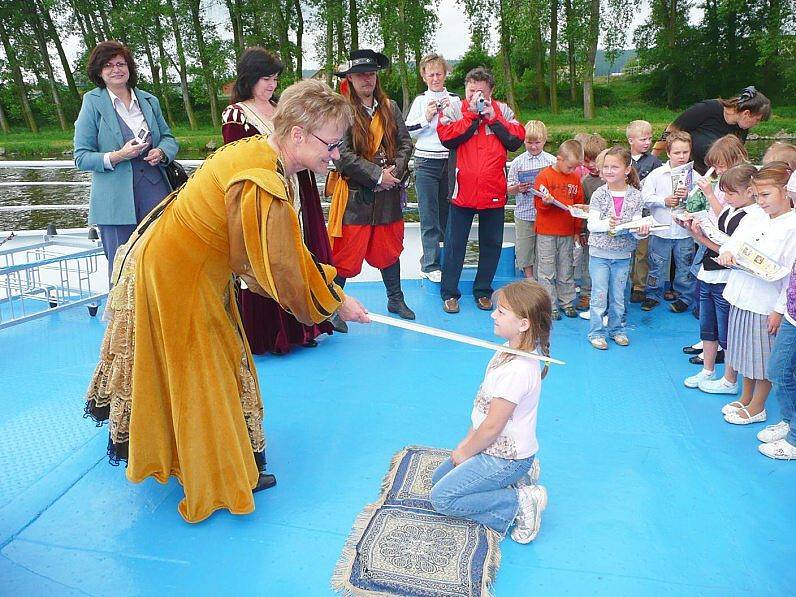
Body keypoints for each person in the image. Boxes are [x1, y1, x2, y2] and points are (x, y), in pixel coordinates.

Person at [84, 80, 369, 523]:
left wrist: (328, 292)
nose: (334, 157)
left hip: (189, 266)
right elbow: (282, 265)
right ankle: (213, 481)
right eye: (330, 146)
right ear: (297, 135)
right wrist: (335, 299)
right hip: (180, 274)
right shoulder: (260, 177)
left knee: (219, 361)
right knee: (201, 371)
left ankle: (224, 459)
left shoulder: (262, 154)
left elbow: (274, 251)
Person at [221, 47, 335, 355]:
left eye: (274, 79)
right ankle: (270, 333)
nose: (271, 85)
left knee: (300, 249)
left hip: (299, 187)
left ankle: (305, 323)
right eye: (264, 79)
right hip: (265, 191)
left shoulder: (283, 109)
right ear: (249, 79)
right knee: (270, 253)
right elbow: (240, 161)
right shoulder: (237, 115)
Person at [430, 279, 550, 544]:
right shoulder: (507, 349)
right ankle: (520, 478)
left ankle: (518, 503)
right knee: (439, 479)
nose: (493, 315)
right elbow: (483, 409)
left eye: (501, 312)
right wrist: (467, 439)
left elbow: (493, 426)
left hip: (505, 457)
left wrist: (466, 451)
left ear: (523, 324)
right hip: (493, 449)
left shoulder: (517, 371)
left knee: (442, 499)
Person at [74, 41, 178, 279]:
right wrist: (118, 155)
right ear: (99, 72)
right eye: (108, 65)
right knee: (122, 268)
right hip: (114, 201)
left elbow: (170, 139)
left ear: (129, 67)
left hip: (156, 193)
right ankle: (125, 317)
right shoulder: (92, 102)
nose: (116, 69)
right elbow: (81, 157)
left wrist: (161, 152)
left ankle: (158, 315)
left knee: (160, 260)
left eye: (120, 63)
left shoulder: (149, 100)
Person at [327, 49, 415, 322]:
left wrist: (393, 174)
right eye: (361, 75)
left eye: (371, 74)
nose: (367, 79)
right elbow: (341, 155)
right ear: (350, 79)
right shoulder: (341, 111)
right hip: (356, 197)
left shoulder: (390, 108)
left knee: (389, 250)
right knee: (344, 255)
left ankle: (395, 300)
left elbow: (405, 144)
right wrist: (378, 175)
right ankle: (332, 309)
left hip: (388, 195)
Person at [437, 67, 526, 314]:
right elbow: (446, 137)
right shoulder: (455, 110)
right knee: (455, 245)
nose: (476, 95)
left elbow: (516, 139)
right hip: (461, 191)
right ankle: (450, 293)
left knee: (491, 244)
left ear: (491, 91)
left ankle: (483, 291)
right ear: (465, 89)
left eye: (481, 91)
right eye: (471, 90)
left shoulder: (503, 110)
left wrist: (492, 118)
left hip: (493, 192)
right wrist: (472, 118)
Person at [717, 163, 796, 426]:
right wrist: (728, 251)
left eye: (766, 195)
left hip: (767, 302)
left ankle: (758, 405)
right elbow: (734, 240)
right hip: (742, 293)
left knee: (762, 356)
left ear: (785, 192)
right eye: (757, 195)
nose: (760, 201)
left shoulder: (792, 226)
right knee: (743, 351)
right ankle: (745, 395)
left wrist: (778, 309)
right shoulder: (754, 215)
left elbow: (790, 275)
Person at [682, 164, 762, 393]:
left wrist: (699, 237)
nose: (725, 198)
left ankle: (729, 378)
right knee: (708, 326)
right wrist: (696, 230)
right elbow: (717, 237)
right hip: (709, 272)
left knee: (726, 330)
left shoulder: (752, 216)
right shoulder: (730, 210)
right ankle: (708, 369)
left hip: (727, 278)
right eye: (724, 192)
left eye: (730, 193)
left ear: (749, 191)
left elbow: (730, 250)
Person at [586, 146, 649, 350]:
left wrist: (642, 231)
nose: (609, 171)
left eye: (615, 167)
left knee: (619, 295)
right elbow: (592, 224)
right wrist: (608, 224)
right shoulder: (599, 194)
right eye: (606, 167)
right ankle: (596, 332)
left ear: (627, 169)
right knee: (599, 294)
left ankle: (617, 329)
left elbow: (637, 226)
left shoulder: (636, 196)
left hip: (623, 255)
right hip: (599, 254)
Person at [405, 53, 460, 283]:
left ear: (445, 74)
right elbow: (408, 130)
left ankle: (446, 260)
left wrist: (450, 115)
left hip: (449, 161)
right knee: (429, 215)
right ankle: (429, 264)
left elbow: (462, 129)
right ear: (424, 76)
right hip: (425, 162)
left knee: (448, 214)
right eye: (431, 74)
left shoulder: (456, 99)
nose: (435, 78)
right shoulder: (420, 101)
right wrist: (427, 117)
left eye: (439, 73)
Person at [652, 86, 771, 174]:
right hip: (689, 172)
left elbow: (736, 158)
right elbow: (672, 129)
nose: (756, 124)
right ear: (746, 113)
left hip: (716, 176)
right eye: (757, 120)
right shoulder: (708, 108)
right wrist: (653, 158)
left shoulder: (742, 129)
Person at [641, 131, 696, 313]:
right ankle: (652, 294)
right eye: (677, 153)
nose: (681, 157)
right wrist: (663, 201)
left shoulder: (694, 177)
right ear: (668, 153)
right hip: (660, 230)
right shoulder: (657, 174)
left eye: (685, 152)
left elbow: (702, 204)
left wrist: (689, 198)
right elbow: (645, 197)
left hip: (684, 232)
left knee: (685, 266)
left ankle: (685, 296)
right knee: (656, 265)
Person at [533, 139, 585, 320]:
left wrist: (577, 230)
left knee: (566, 268)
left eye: (575, 168)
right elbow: (538, 206)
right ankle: (550, 304)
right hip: (546, 230)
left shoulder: (575, 179)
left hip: (567, 231)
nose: (572, 171)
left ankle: (567, 302)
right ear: (559, 159)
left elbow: (579, 206)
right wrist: (546, 203)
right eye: (570, 167)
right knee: (546, 270)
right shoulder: (544, 176)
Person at [760, 213, 796, 459]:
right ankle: (789, 421)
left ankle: (794, 439)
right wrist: (781, 308)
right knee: (778, 370)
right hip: (792, 313)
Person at [506, 120, 556, 280]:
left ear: (544, 140)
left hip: (546, 214)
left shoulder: (552, 162)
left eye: (537, 142)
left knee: (545, 249)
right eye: (529, 142)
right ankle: (529, 278)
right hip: (524, 213)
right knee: (525, 248)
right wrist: (517, 188)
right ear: (524, 141)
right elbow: (508, 189)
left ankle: (544, 279)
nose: (533, 146)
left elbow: (558, 186)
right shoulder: (517, 163)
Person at [626, 120, 662, 303]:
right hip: (625, 212)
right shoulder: (622, 159)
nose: (647, 143)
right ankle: (622, 282)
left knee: (642, 250)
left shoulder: (655, 162)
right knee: (625, 248)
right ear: (631, 140)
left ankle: (639, 285)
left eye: (649, 138)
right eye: (642, 139)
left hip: (645, 213)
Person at [576, 134, 609, 311]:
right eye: (586, 161)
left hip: (611, 233)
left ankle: (607, 296)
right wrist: (581, 231)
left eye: (594, 161)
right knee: (588, 263)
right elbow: (582, 209)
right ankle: (586, 294)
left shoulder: (614, 180)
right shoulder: (585, 182)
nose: (590, 166)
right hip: (591, 232)